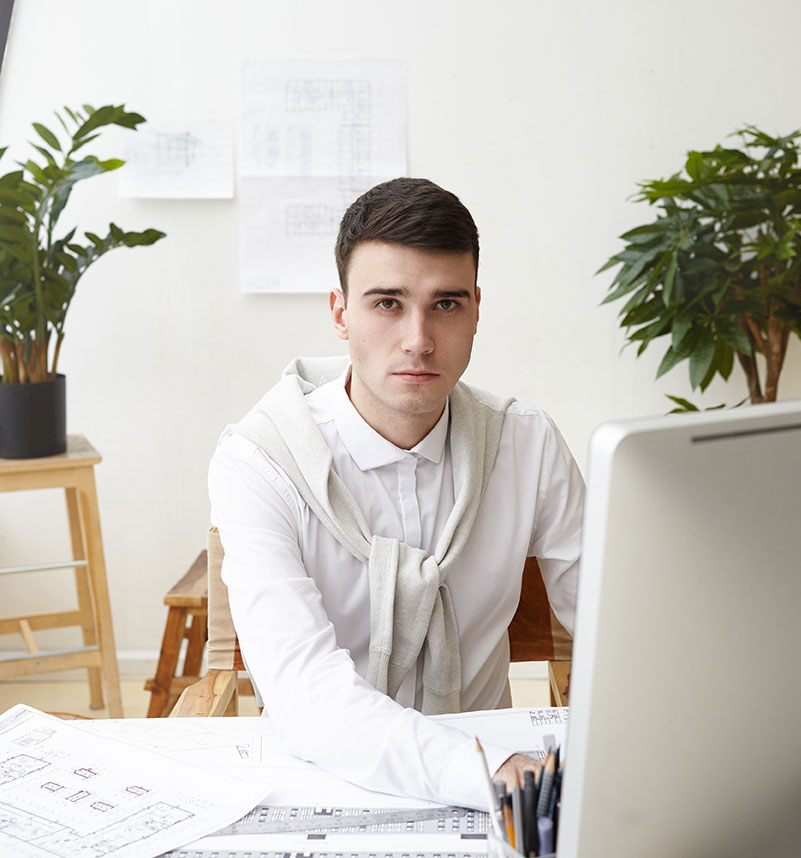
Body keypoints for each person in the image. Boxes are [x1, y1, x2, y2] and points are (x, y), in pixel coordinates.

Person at [208, 177, 584, 810]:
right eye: (387, 303)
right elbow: (306, 696)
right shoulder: (258, 462)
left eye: (446, 304)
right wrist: (488, 773)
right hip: (332, 781)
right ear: (339, 312)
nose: (418, 339)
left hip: (501, 793)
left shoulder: (527, 444)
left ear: (475, 311)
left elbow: (614, 625)